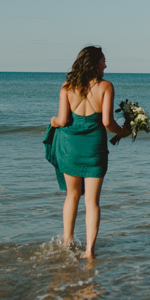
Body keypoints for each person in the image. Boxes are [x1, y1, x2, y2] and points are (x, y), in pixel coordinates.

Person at [44, 45, 130, 258]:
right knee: (92, 202)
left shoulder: (67, 86)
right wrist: (122, 131)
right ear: (94, 63)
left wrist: (52, 121)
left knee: (71, 196)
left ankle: (68, 242)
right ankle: (90, 251)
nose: (106, 65)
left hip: (70, 147)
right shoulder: (106, 87)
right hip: (94, 149)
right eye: (103, 60)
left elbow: (62, 120)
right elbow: (107, 122)